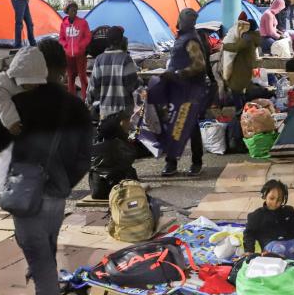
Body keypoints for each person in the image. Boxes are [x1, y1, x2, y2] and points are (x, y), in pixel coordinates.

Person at [0, 47, 91, 295]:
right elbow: (85, 154)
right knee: (45, 260)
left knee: (42, 269)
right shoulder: (76, 105)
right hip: (57, 196)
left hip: (25, 196)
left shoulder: (18, 105)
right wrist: (66, 180)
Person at [151, 9, 207, 177]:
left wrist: (176, 74)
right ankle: (171, 162)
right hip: (177, 87)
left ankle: (195, 162)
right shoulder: (182, 38)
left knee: (189, 125)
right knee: (173, 123)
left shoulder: (191, 41)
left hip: (189, 88)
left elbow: (199, 65)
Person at [0, 46, 48, 137]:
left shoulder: (36, 86)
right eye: (31, 82)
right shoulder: (3, 81)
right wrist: (12, 122)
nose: (35, 85)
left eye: (37, 82)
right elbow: (2, 102)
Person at [87, 26, 139, 121]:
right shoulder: (126, 59)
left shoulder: (99, 59)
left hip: (105, 111)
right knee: (123, 135)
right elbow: (133, 85)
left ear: (108, 41)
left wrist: (88, 103)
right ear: (121, 40)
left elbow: (93, 87)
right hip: (124, 112)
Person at [243, 180, 294, 254]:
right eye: (271, 198)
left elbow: (293, 230)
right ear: (264, 196)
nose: (275, 202)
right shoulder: (257, 216)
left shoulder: (288, 211)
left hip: (289, 242)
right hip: (272, 246)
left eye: (279, 200)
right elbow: (249, 235)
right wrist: (249, 251)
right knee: (279, 248)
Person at [221, 13, 261, 108]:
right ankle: (243, 109)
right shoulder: (253, 36)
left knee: (236, 89)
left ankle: (240, 112)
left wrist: (224, 46)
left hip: (242, 67)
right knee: (240, 90)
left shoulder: (247, 38)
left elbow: (236, 47)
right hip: (246, 65)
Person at [58, 2, 91, 99]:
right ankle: (72, 99)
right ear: (67, 11)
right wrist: (66, 46)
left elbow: (88, 36)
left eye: (76, 9)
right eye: (72, 10)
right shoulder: (64, 24)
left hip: (80, 54)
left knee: (82, 76)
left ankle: (85, 98)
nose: (75, 11)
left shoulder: (83, 22)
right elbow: (61, 38)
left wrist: (81, 45)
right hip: (68, 55)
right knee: (71, 77)